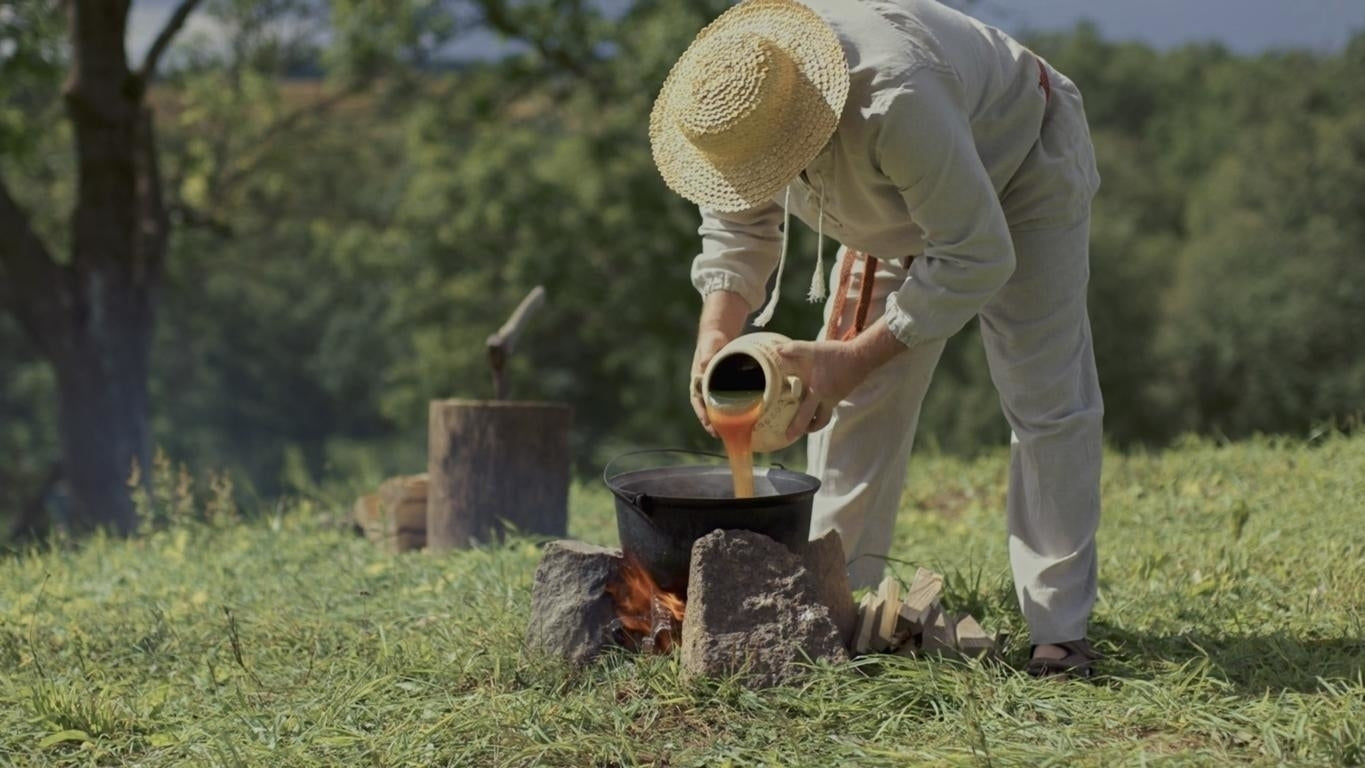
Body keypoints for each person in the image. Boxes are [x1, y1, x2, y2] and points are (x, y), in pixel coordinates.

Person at [650, 0, 1104, 677]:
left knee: (1044, 399)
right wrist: (715, 335)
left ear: (805, 123)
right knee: (855, 403)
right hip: (891, 199)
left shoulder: (891, 98)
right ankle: (834, 599)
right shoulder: (732, 107)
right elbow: (739, 231)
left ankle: (1058, 630)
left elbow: (977, 254)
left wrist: (853, 356)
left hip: (1017, 162)